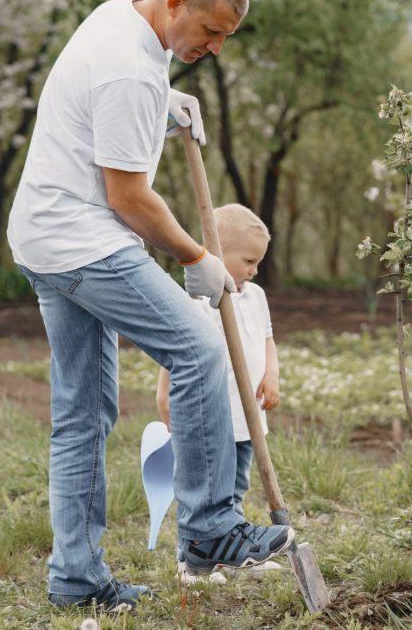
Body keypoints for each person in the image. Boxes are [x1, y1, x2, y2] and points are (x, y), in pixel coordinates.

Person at [7, 0, 293, 612]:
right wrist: (199, 256)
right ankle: (211, 527)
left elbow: (105, 110)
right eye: (212, 31)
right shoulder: (132, 68)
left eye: (225, 38)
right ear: (174, 3)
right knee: (199, 349)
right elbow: (129, 198)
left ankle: (76, 578)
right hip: (83, 239)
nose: (215, 48)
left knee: (82, 412)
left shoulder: (123, 19)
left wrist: (165, 102)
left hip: (41, 233)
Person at [155, 204, 283, 583]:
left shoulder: (256, 295)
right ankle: (189, 560)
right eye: (248, 260)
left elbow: (267, 339)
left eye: (258, 262)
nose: (255, 270)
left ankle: (233, 551)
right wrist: (164, 393)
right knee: (204, 486)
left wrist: (272, 375)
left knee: (236, 486)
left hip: (248, 415)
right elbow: (176, 349)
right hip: (211, 415)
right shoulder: (198, 296)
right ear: (216, 250)